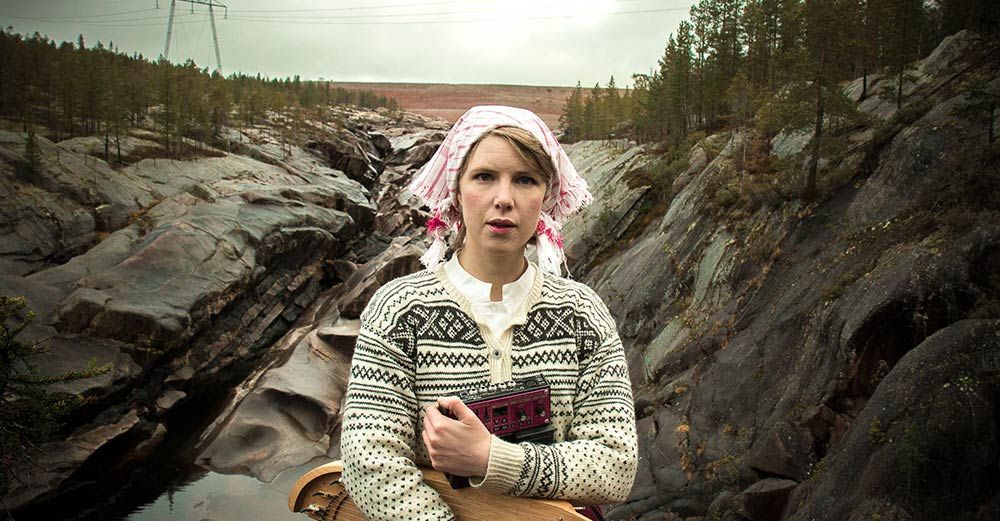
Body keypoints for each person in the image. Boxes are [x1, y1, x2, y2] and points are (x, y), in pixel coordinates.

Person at [339, 105, 637, 521]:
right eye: (484, 176)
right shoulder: (398, 310)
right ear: (457, 190)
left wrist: (489, 458)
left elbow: (616, 466)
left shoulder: (583, 314)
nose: (504, 199)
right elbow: (369, 462)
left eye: (525, 180)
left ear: (545, 195)